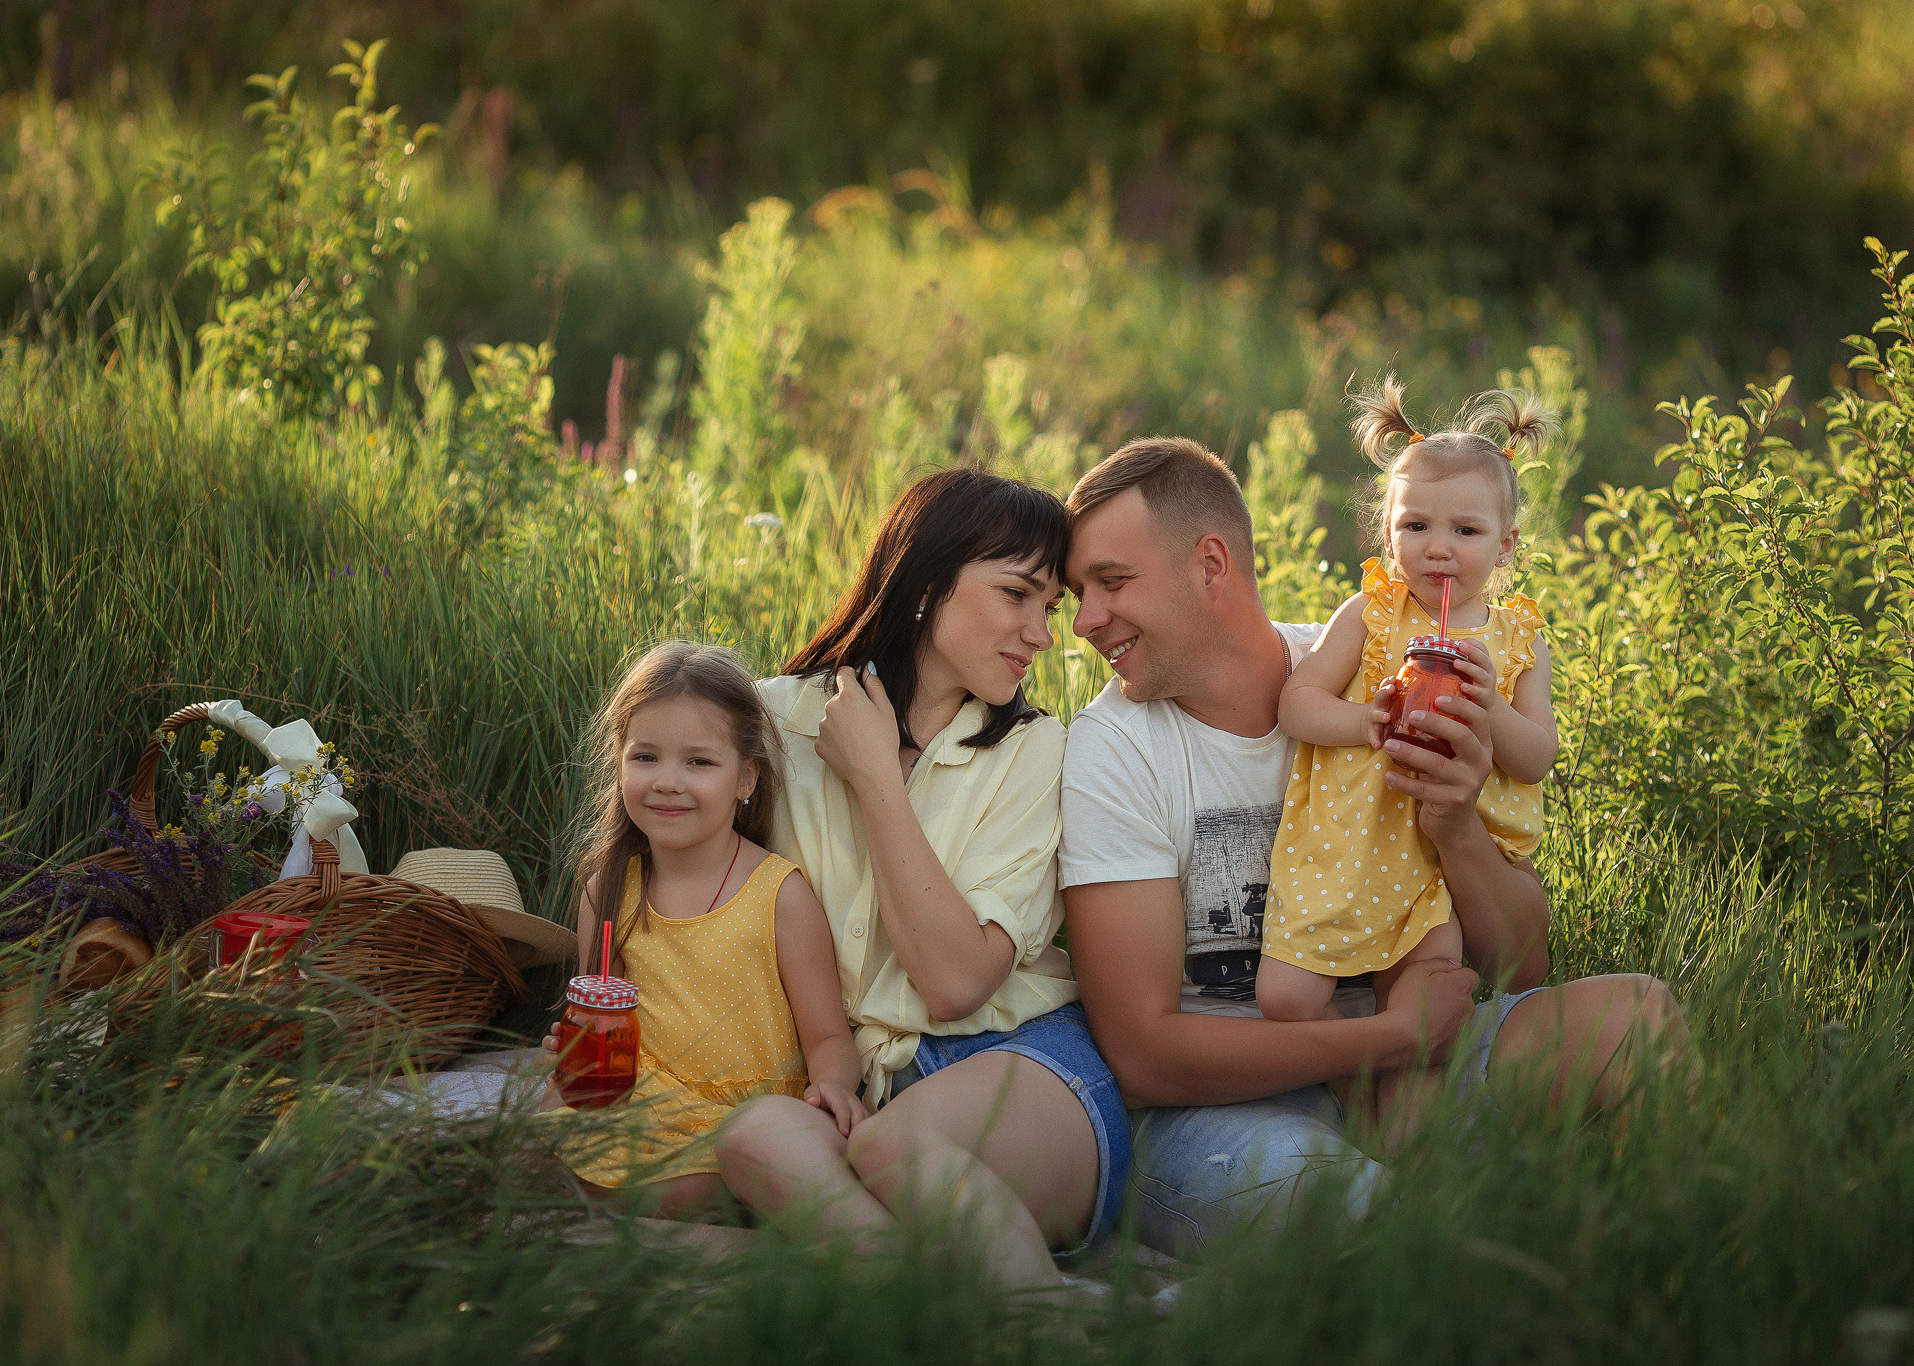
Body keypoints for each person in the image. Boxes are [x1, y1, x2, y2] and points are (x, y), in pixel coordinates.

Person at [1057, 434, 1686, 1260]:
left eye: (1110, 583)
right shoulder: (1115, 751)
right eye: (1079, 591)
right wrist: (1388, 1039)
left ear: (1211, 564)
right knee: (1385, 1229)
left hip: (1415, 1062)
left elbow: (1519, 965)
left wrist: (1456, 825)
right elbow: (1143, 1058)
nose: (1083, 620)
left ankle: (1677, 1268)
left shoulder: (1385, 666)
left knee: (1640, 1019)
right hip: (1227, 1107)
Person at [711, 468, 1130, 1300]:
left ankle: (1042, 1326)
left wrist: (875, 780)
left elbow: (954, 981)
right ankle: (922, 1296)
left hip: (1019, 1062)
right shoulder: (771, 723)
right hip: (854, 1088)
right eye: (1018, 594)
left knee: (892, 1150)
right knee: (754, 1135)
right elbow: (673, 880)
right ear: (927, 578)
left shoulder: (1037, 753)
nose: (1041, 633)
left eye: (1048, 607)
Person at [1257, 384, 1562, 1137]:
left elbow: (1535, 759)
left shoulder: (1518, 641)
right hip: (1356, 844)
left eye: (1465, 528)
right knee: (1285, 996)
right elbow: (1297, 702)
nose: (1438, 546)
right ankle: (1342, 1076)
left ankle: (1398, 1124)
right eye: (1415, 524)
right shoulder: (1372, 613)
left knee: (1426, 1002)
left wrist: (1489, 703)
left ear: (1506, 545)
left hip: (1441, 867)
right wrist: (1368, 720)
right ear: (1387, 534)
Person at [550, 641, 865, 1219]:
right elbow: (602, 1013)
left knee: (695, 1182)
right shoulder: (609, 889)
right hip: (645, 1102)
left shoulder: (777, 893)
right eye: (645, 757)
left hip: (743, 1115)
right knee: (551, 1129)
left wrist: (835, 1089)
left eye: (699, 762)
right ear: (618, 761)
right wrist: (577, 1051)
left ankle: (724, 1198)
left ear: (746, 778)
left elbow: (827, 1037)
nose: (668, 781)